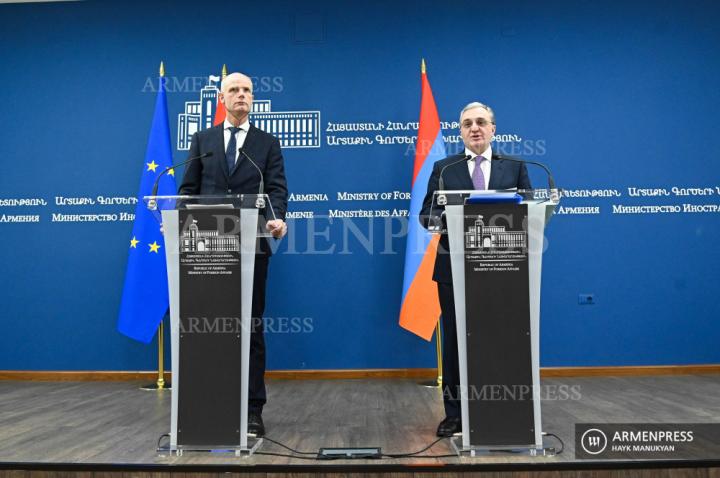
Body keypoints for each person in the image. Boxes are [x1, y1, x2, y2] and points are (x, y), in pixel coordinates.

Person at [178, 72, 288, 437]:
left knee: (250, 327)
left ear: (253, 98)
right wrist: (176, 220)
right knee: (209, 328)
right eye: (235, 90)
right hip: (206, 250)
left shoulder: (266, 144)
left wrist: (277, 220)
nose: (242, 95)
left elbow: (276, 191)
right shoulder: (203, 140)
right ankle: (211, 401)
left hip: (251, 245)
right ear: (221, 99)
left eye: (247, 91)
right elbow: (187, 190)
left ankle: (253, 408)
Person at [420, 101, 531, 437]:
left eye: (481, 122)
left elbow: (529, 210)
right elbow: (427, 214)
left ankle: (501, 408)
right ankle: (454, 414)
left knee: (501, 340)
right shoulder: (444, 167)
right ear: (461, 131)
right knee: (455, 341)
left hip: (504, 268)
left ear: (494, 128)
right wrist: (439, 221)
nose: (474, 128)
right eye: (467, 124)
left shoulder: (514, 166)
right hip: (453, 268)